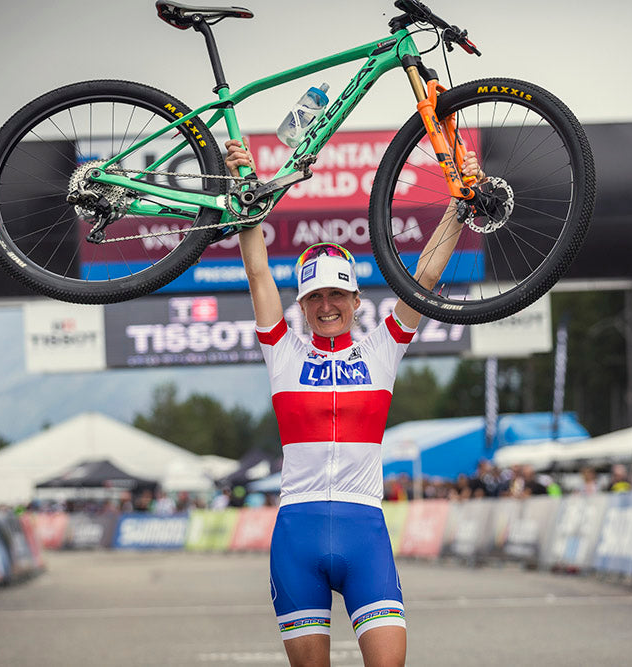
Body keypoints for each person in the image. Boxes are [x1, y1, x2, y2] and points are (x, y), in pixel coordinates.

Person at [226, 138, 483, 667]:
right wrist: (244, 190)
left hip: (364, 530)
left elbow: (425, 276)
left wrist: (461, 204)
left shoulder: (382, 347)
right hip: (296, 536)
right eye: (315, 297)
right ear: (301, 305)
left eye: (336, 294)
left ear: (355, 300)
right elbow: (257, 273)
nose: (326, 306)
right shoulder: (282, 350)